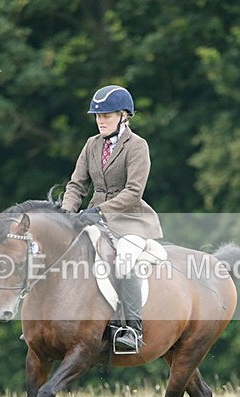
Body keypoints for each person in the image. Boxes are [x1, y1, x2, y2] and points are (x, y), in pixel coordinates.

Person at [61, 85, 163, 353]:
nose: (100, 121)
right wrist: (66, 214)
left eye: (106, 115)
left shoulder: (137, 146)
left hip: (130, 220)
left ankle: (131, 329)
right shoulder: (91, 145)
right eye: (97, 116)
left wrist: (102, 211)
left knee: (125, 258)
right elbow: (76, 185)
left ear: (124, 116)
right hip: (93, 216)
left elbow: (133, 191)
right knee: (62, 252)